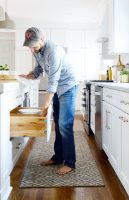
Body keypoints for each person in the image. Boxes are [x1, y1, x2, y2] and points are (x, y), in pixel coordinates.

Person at [20, 27, 79, 175]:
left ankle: (70, 163)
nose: (32, 48)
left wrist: (45, 105)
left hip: (68, 86)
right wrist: (30, 75)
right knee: (57, 123)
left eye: (34, 44)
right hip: (58, 87)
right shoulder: (37, 51)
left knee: (65, 124)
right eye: (29, 45)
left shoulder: (53, 51)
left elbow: (53, 80)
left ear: (42, 39)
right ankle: (58, 157)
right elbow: (39, 68)